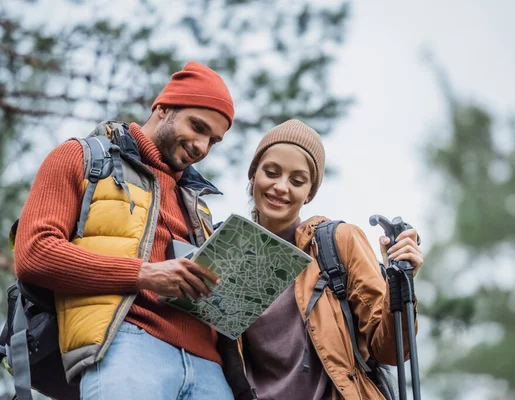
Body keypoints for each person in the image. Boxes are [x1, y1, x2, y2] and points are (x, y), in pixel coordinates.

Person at [13, 62, 238, 399]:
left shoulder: (198, 205)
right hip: (126, 347)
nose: (202, 147)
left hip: (210, 369)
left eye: (213, 141)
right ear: (162, 109)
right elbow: (34, 254)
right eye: (197, 127)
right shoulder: (80, 157)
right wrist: (144, 274)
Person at [235, 119, 423, 399]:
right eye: (271, 172)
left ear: (310, 193)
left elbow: (390, 350)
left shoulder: (337, 242)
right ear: (253, 176)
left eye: (297, 181)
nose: (281, 187)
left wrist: (399, 282)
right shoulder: (228, 254)